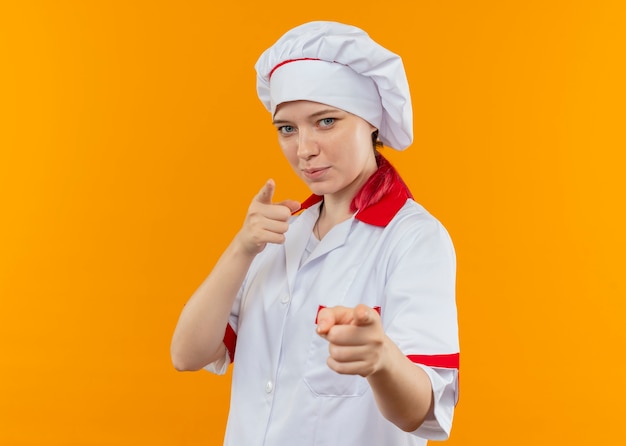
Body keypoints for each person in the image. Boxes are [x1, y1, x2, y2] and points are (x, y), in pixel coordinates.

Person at [170, 21, 459, 446]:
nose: (304, 149)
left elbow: (422, 413)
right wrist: (241, 248)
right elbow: (187, 355)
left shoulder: (414, 239)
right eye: (287, 128)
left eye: (325, 121)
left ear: (371, 122)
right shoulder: (278, 234)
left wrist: (381, 360)